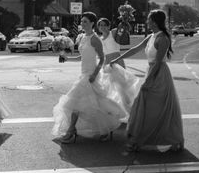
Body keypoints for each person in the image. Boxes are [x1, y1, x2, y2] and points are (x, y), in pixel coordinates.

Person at [110, 9, 184, 152]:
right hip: (151, 71)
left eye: (149, 20)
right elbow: (135, 49)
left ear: (155, 22)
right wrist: (118, 58)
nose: (147, 22)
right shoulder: (151, 36)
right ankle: (138, 139)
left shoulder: (162, 38)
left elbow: (157, 62)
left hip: (159, 75)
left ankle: (140, 139)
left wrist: (148, 81)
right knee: (146, 106)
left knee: (150, 107)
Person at [52, 12, 123, 143]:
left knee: (74, 102)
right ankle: (105, 128)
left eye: (85, 21)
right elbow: (82, 56)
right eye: (82, 21)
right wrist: (67, 58)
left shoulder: (95, 39)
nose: (82, 23)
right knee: (95, 105)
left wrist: (94, 75)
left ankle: (71, 130)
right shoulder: (82, 37)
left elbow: (102, 58)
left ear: (92, 23)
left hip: (91, 75)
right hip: (83, 73)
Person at [97, 17, 139, 117]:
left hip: (117, 63)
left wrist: (125, 19)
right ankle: (114, 112)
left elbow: (125, 28)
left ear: (108, 26)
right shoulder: (99, 39)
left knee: (122, 89)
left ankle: (131, 112)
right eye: (100, 25)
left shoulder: (114, 32)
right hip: (107, 64)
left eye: (104, 25)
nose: (102, 27)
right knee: (109, 89)